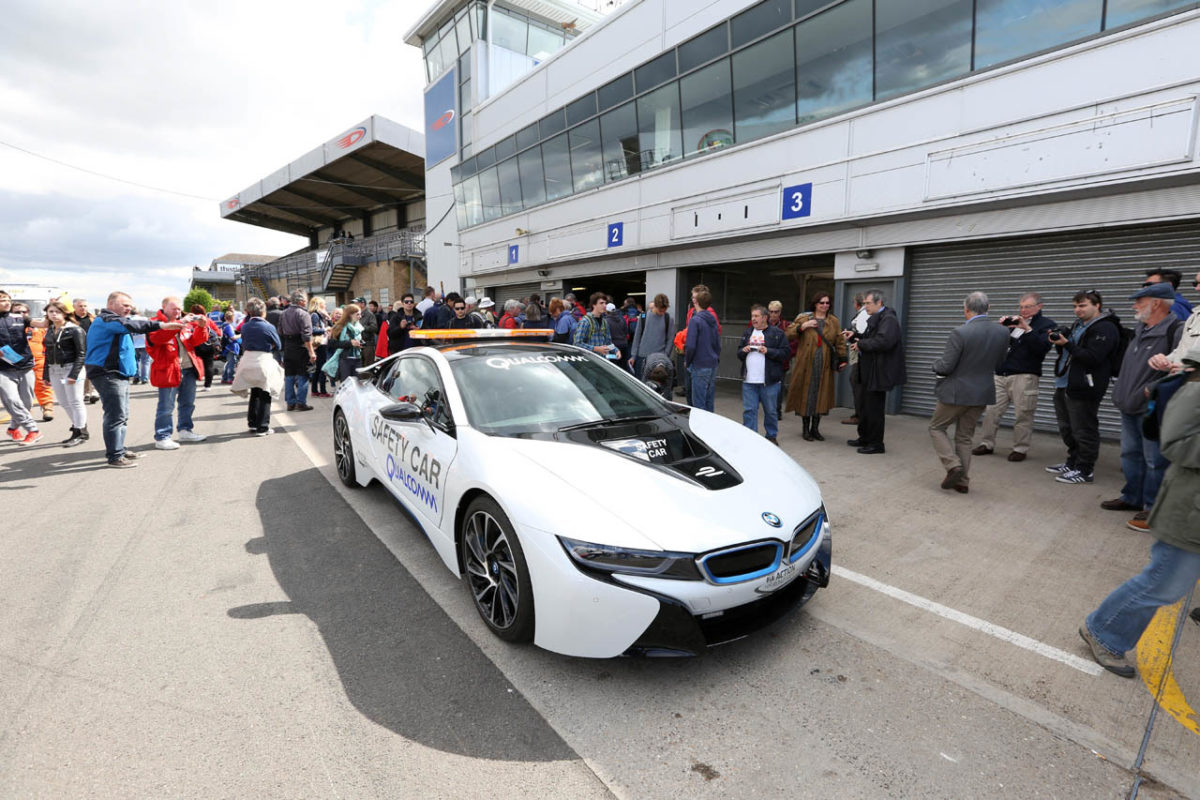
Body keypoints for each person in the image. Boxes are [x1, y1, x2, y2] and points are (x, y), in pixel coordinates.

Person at [1079, 344, 1200, 678]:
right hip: (1190, 510)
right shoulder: (1194, 389)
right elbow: (1175, 444)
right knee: (1165, 583)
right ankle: (1104, 632)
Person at [1102, 283, 1183, 530]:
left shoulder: (1175, 331)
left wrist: (1152, 389)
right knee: (1130, 455)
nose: (1133, 306)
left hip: (1152, 408)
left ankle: (1152, 509)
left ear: (1156, 303)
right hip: (1129, 404)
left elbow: (1179, 371)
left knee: (1154, 460)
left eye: (1139, 301)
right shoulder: (1141, 328)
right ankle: (1132, 497)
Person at [85, 291, 184, 467]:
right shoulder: (108, 319)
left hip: (118, 373)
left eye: (130, 306)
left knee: (122, 415)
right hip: (108, 372)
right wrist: (161, 325)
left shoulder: (113, 321)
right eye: (124, 305)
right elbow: (133, 324)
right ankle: (115, 456)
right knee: (116, 415)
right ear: (111, 304)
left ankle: (119, 449)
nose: (129, 308)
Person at [927, 292, 1011, 493]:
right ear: (988, 307)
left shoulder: (960, 332)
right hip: (981, 392)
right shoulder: (1002, 333)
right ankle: (962, 481)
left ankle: (952, 465)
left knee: (936, 427)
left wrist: (935, 364)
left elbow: (946, 366)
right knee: (965, 436)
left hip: (956, 392)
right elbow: (1000, 364)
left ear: (966, 309)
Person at [1046, 290, 1121, 484]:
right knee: (1067, 427)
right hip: (1066, 382)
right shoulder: (1079, 325)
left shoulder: (1105, 328)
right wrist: (1060, 342)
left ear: (1097, 306)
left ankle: (1085, 470)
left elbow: (1093, 357)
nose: (1077, 310)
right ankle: (1072, 462)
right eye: (1075, 306)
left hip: (1086, 385)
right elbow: (1071, 352)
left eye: (1082, 305)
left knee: (1084, 429)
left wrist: (1067, 344)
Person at [972, 292, 1056, 462]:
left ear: (1039, 307)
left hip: (1024, 376)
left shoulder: (1046, 325)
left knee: (1023, 414)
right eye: (1021, 307)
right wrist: (1002, 330)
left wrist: (1027, 329)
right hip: (1001, 373)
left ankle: (1020, 448)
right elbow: (998, 346)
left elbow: (1041, 349)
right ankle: (986, 443)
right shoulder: (1014, 323)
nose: (1023, 310)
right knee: (991, 411)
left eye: (1028, 306)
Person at [846, 289, 906, 455]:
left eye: (868, 303)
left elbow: (883, 341)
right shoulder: (877, 317)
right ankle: (864, 438)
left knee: (874, 409)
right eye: (864, 303)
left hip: (878, 371)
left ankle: (876, 443)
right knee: (865, 406)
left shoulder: (889, 319)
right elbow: (870, 339)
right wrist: (855, 336)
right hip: (868, 369)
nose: (865, 306)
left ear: (879, 303)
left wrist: (861, 345)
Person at [147, 296, 210, 450]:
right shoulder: (155, 322)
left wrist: (202, 326)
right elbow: (159, 339)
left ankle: (185, 430)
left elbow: (195, 341)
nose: (177, 311)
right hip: (168, 369)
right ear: (164, 308)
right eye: (173, 308)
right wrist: (180, 323)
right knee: (166, 406)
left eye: (178, 308)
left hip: (188, 368)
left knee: (187, 403)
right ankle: (162, 437)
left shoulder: (185, 323)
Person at [785, 291, 847, 442]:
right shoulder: (803, 318)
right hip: (806, 363)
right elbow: (787, 334)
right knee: (806, 394)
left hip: (824, 363)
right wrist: (802, 327)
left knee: (821, 395)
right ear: (815, 304)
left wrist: (842, 358)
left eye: (827, 303)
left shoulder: (833, 321)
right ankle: (805, 429)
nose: (825, 305)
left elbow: (839, 341)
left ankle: (815, 429)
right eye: (822, 303)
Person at [230, 297, 283, 436]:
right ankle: (263, 426)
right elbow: (278, 345)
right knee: (265, 392)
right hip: (263, 359)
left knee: (254, 392)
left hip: (247, 359)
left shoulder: (245, 326)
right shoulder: (268, 326)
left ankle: (252, 422)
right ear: (263, 311)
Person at [738, 305, 789, 444]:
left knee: (771, 411)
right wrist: (744, 350)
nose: (753, 319)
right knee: (749, 411)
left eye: (756, 316)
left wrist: (769, 351)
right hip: (749, 381)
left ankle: (771, 436)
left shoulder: (777, 333)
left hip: (769, 382)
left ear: (765, 318)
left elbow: (785, 353)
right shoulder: (748, 332)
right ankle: (751, 437)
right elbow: (739, 353)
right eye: (752, 316)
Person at [42, 299, 88, 446]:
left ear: (65, 313)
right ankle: (78, 427)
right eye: (51, 312)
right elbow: (48, 353)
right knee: (63, 401)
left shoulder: (75, 329)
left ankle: (80, 432)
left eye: (57, 312)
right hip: (54, 369)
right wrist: (46, 374)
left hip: (71, 367)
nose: (54, 314)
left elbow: (82, 353)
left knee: (75, 401)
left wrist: (74, 374)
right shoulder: (50, 330)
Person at [0, 290, 43, 444]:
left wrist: (54, 311)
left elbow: (42, 324)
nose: (6, 303)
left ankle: (12, 428)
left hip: (25, 366)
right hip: (3, 370)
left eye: (7, 300)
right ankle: (33, 430)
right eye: (2, 300)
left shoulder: (19, 317)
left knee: (26, 403)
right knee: (11, 400)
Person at [1148, 267, 1200, 375]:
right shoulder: (1195, 315)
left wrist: (1192, 370)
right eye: (1196, 283)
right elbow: (1182, 351)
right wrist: (1165, 361)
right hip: (1182, 386)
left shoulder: (1173, 308)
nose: (1197, 288)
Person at [684, 286, 721, 412]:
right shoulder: (713, 319)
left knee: (698, 404)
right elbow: (717, 343)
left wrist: (687, 361)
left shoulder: (695, 320)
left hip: (699, 364)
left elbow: (690, 345)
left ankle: (700, 430)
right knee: (709, 401)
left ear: (696, 302)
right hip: (712, 364)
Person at [279, 290, 316, 411]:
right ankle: (301, 402)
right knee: (303, 374)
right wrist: (311, 351)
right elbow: (307, 335)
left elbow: (280, 331)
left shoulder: (283, 313)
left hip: (288, 346)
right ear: (300, 301)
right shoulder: (303, 314)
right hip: (300, 346)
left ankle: (290, 403)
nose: (306, 302)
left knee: (289, 375)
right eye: (305, 300)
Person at [630, 293, 674, 380]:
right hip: (642, 357)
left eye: (664, 310)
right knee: (641, 386)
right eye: (660, 310)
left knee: (657, 387)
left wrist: (665, 355)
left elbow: (670, 339)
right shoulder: (643, 316)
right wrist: (633, 356)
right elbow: (637, 337)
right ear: (655, 306)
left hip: (659, 359)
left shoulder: (668, 318)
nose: (662, 313)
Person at [841, 293, 870, 426]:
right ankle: (861, 413)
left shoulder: (863, 315)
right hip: (859, 354)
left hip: (860, 355)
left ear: (856, 304)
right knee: (856, 382)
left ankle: (860, 415)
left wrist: (851, 337)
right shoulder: (865, 314)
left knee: (856, 383)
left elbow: (862, 337)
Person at [323, 303, 364, 385]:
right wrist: (350, 343)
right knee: (346, 384)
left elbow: (359, 340)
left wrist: (361, 343)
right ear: (350, 315)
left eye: (360, 314)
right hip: (345, 359)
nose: (360, 316)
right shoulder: (340, 326)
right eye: (358, 314)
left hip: (357, 358)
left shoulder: (359, 327)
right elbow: (332, 343)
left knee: (357, 384)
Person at [767, 300, 795, 420]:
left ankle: (776, 410)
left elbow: (793, 344)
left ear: (780, 312)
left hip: (780, 362)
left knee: (778, 388)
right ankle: (769, 409)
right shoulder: (764, 323)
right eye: (771, 312)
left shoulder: (786, 325)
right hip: (766, 361)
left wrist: (786, 355)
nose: (773, 315)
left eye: (776, 312)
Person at [71, 298, 100, 404]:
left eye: (85, 306)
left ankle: (94, 392)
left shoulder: (93, 319)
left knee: (92, 369)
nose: (83, 308)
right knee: (80, 371)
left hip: (91, 348)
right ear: (74, 307)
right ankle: (85, 392)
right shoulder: (70, 319)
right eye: (80, 306)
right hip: (75, 349)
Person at [573, 293, 616, 358]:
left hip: (603, 361)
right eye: (601, 303)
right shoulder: (585, 321)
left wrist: (616, 351)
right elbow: (577, 343)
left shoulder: (604, 321)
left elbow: (608, 343)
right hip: (590, 362)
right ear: (594, 305)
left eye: (605, 303)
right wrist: (596, 348)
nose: (604, 306)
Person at [190, 304, 220, 391]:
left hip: (196, 345)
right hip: (209, 345)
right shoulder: (208, 320)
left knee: (193, 365)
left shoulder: (191, 321)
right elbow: (218, 332)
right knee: (209, 365)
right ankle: (207, 386)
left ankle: (192, 384)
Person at [309, 298, 331, 396]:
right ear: (319, 304)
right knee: (322, 368)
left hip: (323, 343)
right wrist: (324, 329)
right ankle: (322, 391)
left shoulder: (322, 315)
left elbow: (332, 326)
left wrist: (328, 318)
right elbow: (313, 330)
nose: (325, 305)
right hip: (319, 344)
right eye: (324, 304)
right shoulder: (315, 315)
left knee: (319, 368)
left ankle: (314, 390)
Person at [604, 302, 631, 370]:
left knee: (613, 368)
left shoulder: (605, 321)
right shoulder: (622, 319)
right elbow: (626, 332)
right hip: (624, 345)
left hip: (612, 347)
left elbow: (606, 337)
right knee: (623, 368)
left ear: (606, 311)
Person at [353, 296, 379, 365]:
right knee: (359, 365)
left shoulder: (369, 314)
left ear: (362, 304)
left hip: (368, 344)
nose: (355, 305)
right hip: (358, 344)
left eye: (356, 303)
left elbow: (374, 328)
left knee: (368, 367)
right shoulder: (356, 314)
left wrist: (362, 327)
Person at [220, 310, 241, 385]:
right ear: (232, 318)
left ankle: (224, 378)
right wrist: (240, 335)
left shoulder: (223, 325)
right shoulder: (229, 326)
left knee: (228, 363)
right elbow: (233, 337)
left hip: (226, 346)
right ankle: (230, 378)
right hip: (231, 346)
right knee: (231, 363)